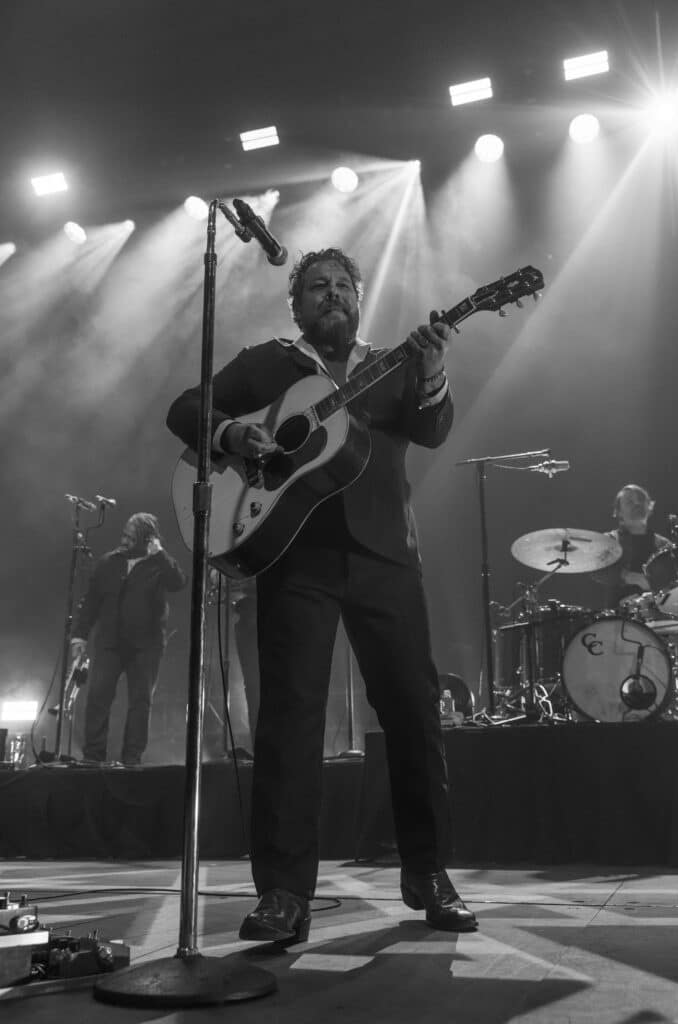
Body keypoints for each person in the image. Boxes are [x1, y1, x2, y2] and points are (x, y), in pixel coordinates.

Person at [166, 247, 477, 942]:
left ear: (359, 301)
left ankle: (428, 872)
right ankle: (283, 894)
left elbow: (432, 431)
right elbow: (184, 409)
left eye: (342, 286)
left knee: (414, 715)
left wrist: (431, 371)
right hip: (293, 555)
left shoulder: (392, 361)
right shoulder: (266, 363)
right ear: (297, 305)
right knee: (289, 722)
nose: (332, 294)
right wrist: (232, 432)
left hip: (385, 555)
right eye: (317, 287)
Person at [71, 513, 187, 766]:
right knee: (98, 696)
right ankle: (93, 756)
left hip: (146, 645)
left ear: (147, 539)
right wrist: (80, 636)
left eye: (131, 538)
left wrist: (160, 554)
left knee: (140, 702)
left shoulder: (158, 564)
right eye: (124, 535)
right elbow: (91, 601)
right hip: (110, 641)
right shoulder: (109, 562)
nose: (124, 541)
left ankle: (131, 759)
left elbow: (178, 582)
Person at [594, 484, 670, 611]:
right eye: (630, 501)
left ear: (650, 507)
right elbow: (595, 570)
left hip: (660, 614)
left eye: (641, 499)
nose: (637, 503)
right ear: (618, 512)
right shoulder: (610, 540)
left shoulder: (663, 545)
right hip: (620, 616)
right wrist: (629, 577)